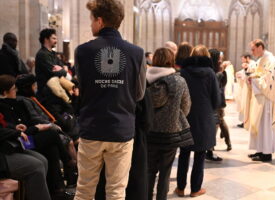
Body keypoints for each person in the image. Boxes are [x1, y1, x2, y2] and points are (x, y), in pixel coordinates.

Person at [74, 0, 146, 199]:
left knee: (84, 190)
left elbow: (83, 87)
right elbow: (139, 94)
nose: (90, 25)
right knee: (116, 191)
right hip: (121, 128)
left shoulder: (82, 51)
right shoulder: (137, 53)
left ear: (100, 20)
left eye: (92, 20)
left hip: (92, 127)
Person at [146, 48, 192, 200]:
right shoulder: (179, 81)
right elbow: (186, 105)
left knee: (149, 170)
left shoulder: (145, 79)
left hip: (150, 132)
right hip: (171, 133)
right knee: (165, 172)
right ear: (171, 60)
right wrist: (175, 118)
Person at [175, 45, 221, 197]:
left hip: (186, 117)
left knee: (184, 153)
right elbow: (216, 99)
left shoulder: (183, 72)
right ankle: (195, 189)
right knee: (200, 155)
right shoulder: (210, 73)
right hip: (204, 118)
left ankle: (180, 188)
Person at [247, 39, 275, 162]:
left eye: (253, 49)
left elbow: (269, 81)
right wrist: (250, 75)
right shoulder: (261, 60)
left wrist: (254, 80)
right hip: (260, 99)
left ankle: (266, 153)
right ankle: (259, 150)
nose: (252, 52)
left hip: (267, 100)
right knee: (259, 125)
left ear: (260, 47)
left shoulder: (271, 60)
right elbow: (256, 72)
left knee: (265, 126)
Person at [35, 28, 67, 94]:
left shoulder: (53, 53)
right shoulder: (42, 54)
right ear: (46, 39)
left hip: (56, 89)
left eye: (56, 39)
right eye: (54, 38)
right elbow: (53, 73)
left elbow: (61, 66)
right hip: (47, 92)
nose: (56, 41)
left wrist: (62, 69)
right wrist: (64, 71)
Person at [235, 53, 256, 128]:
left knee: (247, 105)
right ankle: (244, 121)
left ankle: (247, 122)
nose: (242, 61)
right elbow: (244, 74)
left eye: (243, 59)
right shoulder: (248, 65)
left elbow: (251, 75)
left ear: (247, 58)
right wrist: (240, 74)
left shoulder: (253, 64)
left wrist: (243, 75)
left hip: (249, 89)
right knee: (244, 105)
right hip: (245, 88)